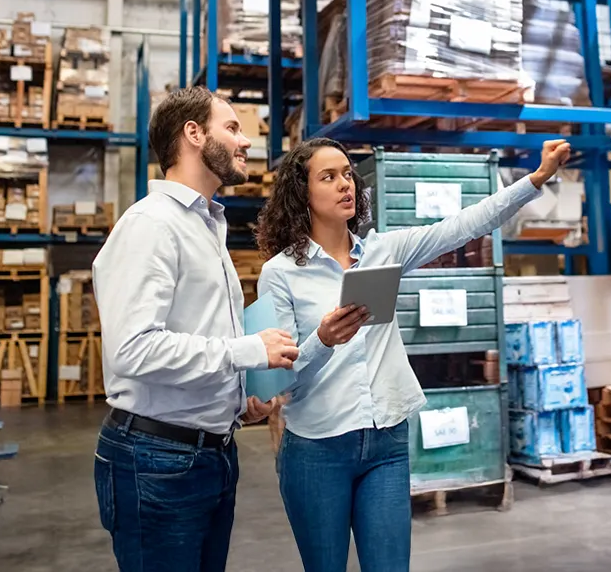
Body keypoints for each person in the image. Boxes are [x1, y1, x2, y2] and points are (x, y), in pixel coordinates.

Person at [254, 137, 570, 571]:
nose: (345, 184)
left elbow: (464, 224)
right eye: (328, 177)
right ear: (301, 193)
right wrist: (322, 341)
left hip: (386, 442)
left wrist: (536, 179)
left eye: (347, 174)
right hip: (317, 449)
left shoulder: (383, 251)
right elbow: (280, 378)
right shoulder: (280, 274)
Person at [91, 86, 300, 572]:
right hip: (158, 461)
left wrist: (234, 400)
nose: (245, 141)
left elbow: (196, 331)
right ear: (193, 134)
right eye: (232, 128)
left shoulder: (205, 225)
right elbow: (133, 350)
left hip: (209, 454)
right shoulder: (151, 225)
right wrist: (247, 352)